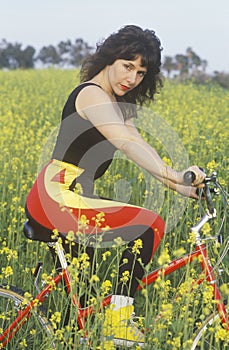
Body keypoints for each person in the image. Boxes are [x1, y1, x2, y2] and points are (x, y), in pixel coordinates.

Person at [25, 25, 206, 347]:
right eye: (127, 65)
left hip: (75, 196)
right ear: (108, 60)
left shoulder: (116, 103)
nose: (132, 77)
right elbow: (124, 143)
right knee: (149, 225)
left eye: (141, 71)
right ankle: (119, 324)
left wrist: (180, 185)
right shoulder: (92, 93)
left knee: (79, 300)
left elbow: (138, 144)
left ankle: (77, 335)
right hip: (57, 194)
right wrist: (176, 174)